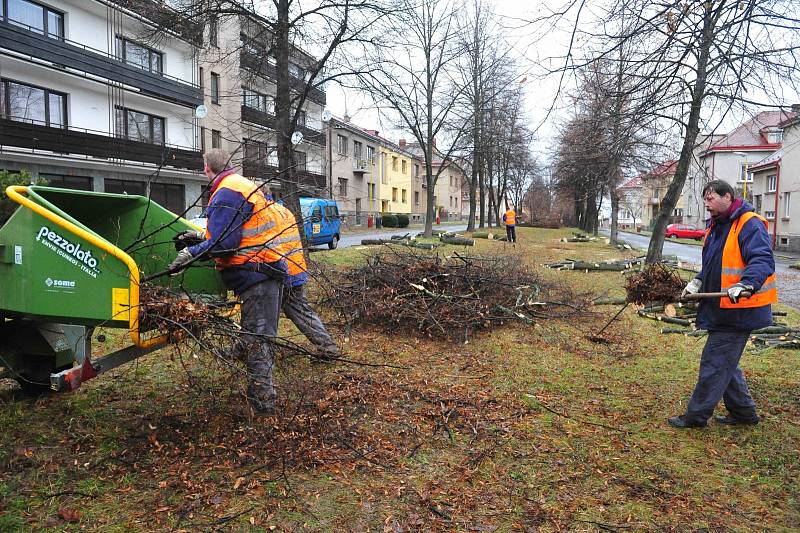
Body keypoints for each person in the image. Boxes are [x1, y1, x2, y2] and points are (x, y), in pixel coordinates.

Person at [168, 148, 287, 414]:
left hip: (258, 274)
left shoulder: (226, 192)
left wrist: (190, 253)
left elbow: (224, 246)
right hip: (264, 271)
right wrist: (200, 239)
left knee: (258, 340)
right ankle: (260, 396)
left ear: (206, 169)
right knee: (257, 337)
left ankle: (263, 405)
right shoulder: (242, 185)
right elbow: (238, 233)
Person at [670, 180, 776, 429]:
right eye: (705, 199)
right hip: (721, 309)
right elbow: (713, 265)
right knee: (725, 362)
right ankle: (743, 414)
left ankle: (695, 417)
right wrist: (697, 282)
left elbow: (762, 259)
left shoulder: (749, 224)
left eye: (710, 199)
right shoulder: (716, 227)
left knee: (714, 361)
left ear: (727, 196)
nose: (706, 205)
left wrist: (746, 284)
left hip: (740, 310)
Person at [269, 202, 341, 359]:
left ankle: (254, 349)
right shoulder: (283, 209)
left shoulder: (262, 213)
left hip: (278, 271)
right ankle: (328, 347)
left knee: (261, 314)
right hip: (295, 268)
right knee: (300, 310)